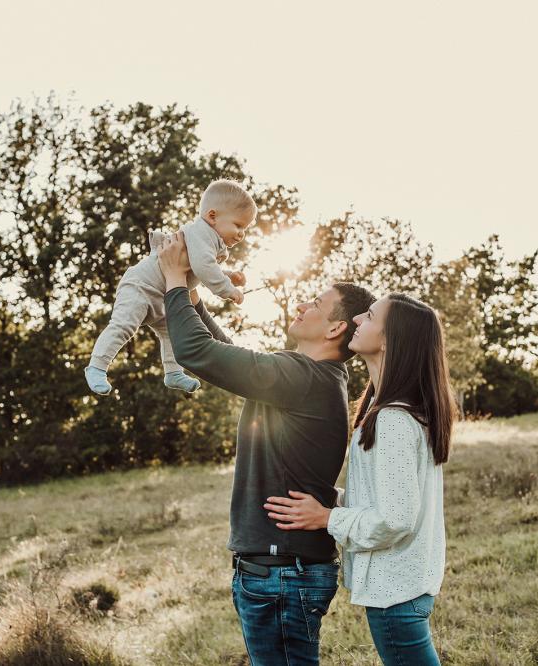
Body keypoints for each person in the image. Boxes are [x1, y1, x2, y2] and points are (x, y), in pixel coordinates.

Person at [157, 229, 376, 666]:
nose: (302, 305)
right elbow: (228, 354)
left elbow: (196, 352)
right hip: (280, 573)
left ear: (335, 327)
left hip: (281, 575)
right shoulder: (307, 378)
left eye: (315, 303)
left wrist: (174, 282)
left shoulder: (303, 378)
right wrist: (195, 300)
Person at [263, 293, 457, 666]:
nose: (355, 321)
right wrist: (330, 498)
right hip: (403, 588)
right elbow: (388, 498)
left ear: (388, 340)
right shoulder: (387, 410)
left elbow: (395, 518)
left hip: (396, 594)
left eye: (368, 317)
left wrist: (326, 518)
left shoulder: (393, 420)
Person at [84, 179, 254, 396]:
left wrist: (228, 275)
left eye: (245, 229)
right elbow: (203, 267)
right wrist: (227, 289)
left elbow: (199, 268)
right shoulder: (202, 233)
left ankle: (173, 373)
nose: (241, 234)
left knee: (171, 333)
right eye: (238, 225)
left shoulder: (209, 240)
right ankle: (97, 366)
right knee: (124, 326)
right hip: (142, 287)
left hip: (162, 295)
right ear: (212, 216)